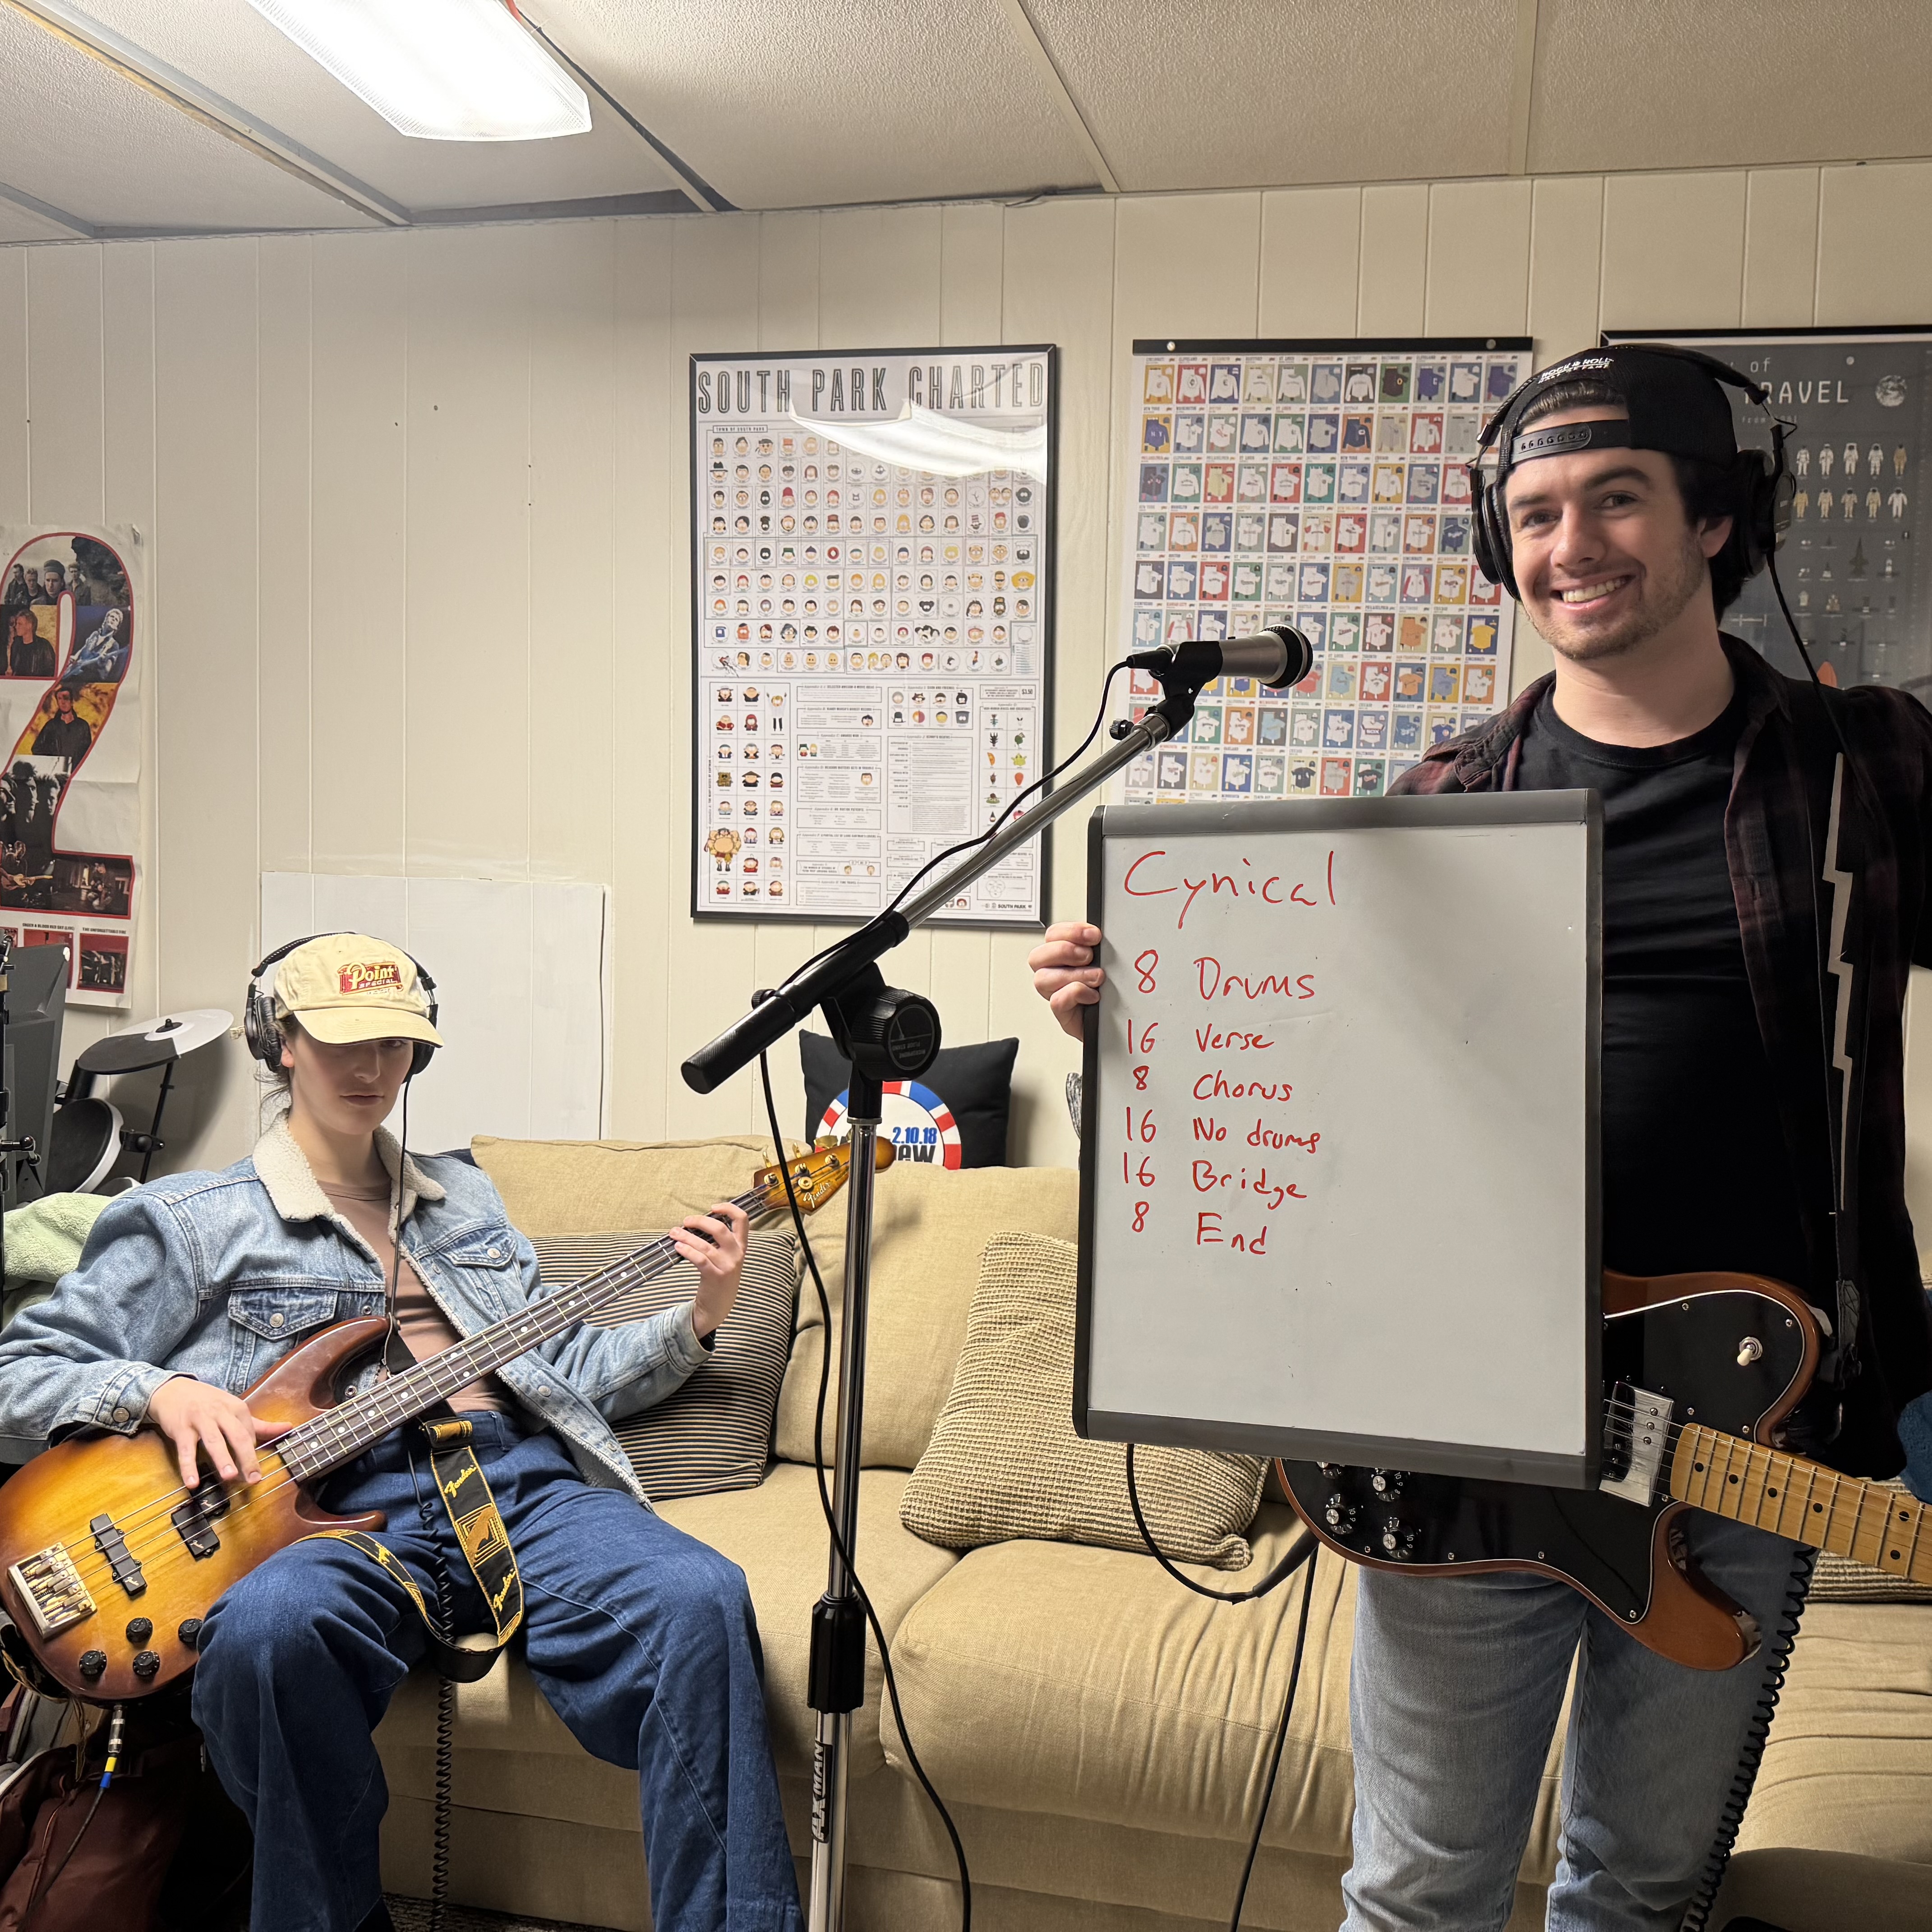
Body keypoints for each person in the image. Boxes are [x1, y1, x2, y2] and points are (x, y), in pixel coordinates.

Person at [1029, 344, 1932, 1932]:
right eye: (1533, 513)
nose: (1570, 544)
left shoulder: (1866, 772)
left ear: (1717, 515)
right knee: (1418, 1891)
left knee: (1641, 1889)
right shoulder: (1437, 803)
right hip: (1467, 1432)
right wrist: (1134, 1030)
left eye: (1615, 498)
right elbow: (1314, 1120)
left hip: (1754, 1418)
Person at [0, 933, 805, 1932]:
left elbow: (558, 1367)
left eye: (392, 1041)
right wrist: (161, 1391)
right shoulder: (193, 1218)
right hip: (331, 1510)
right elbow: (21, 1367)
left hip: (515, 1484)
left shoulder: (465, 1196)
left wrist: (700, 1314)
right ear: (280, 1041)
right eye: (341, 1039)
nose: (370, 1066)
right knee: (265, 1633)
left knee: (699, 1595)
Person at [65, 604, 128, 684]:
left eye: (116, 620)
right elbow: (85, 648)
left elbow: (106, 672)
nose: (113, 619)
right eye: (112, 617)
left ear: (116, 627)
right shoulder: (95, 634)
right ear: (106, 619)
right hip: (76, 671)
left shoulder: (114, 645)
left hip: (90, 679)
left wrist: (102, 664)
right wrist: (75, 657)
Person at [30, 684, 90, 763]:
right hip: (56, 768)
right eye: (60, 699)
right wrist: (52, 760)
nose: (63, 702)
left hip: (77, 768)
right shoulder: (51, 726)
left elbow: (89, 751)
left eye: (66, 698)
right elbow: (36, 749)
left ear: (72, 702)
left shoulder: (83, 726)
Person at [4, 609, 51, 679]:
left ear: (29, 626)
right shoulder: (16, 645)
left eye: (20, 624)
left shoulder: (44, 645)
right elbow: (14, 667)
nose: (16, 627)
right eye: (17, 624)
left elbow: (51, 670)